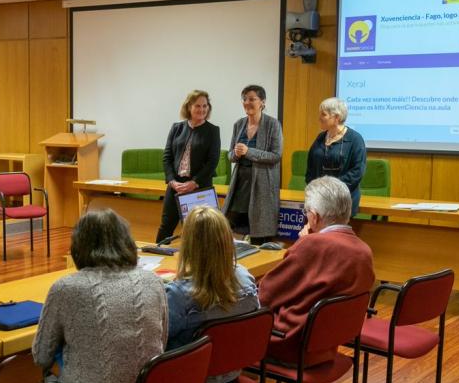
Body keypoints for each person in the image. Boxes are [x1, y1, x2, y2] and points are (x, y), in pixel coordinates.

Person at [32, 209, 181, 383]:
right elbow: (162, 340)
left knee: (54, 379)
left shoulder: (66, 288)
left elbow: (41, 356)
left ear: (79, 245)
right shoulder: (154, 282)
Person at [258, 176, 374, 366]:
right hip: (325, 346)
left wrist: (303, 243)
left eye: (306, 212)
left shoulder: (311, 246)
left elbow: (266, 294)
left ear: (314, 216)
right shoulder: (364, 251)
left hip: (289, 344)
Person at [166, 206, 260, 383]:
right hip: (232, 373)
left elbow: (157, 338)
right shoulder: (246, 279)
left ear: (189, 246)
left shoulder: (178, 296)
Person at [157, 89, 221, 244]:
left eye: (205, 106)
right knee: (165, 227)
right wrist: (172, 181)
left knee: (200, 232)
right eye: (197, 106)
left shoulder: (213, 131)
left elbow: (212, 162)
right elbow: (167, 157)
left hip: (199, 187)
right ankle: (156, 254)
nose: (202, 109)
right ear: (189, 107)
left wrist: (194, 182)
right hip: (176, 186)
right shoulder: (176, 128)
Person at [223, 85, 283, 244]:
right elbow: (230, 155)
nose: (247, 102)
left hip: (262, 187)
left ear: (262, 102)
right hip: (240, 186)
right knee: (231, 228)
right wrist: (236, 153)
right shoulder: (239, 124)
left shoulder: (272, 124)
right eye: (244, 99)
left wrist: (249, 152)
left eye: (252, 99)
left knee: (259, 235)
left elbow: (276, 155)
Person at [305, 97, 367, 216]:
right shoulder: (320, 138)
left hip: (343, 200)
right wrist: (314, 189)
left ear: (337, 117)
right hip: (319, 200)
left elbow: (357, 171)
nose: (319, 118)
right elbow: (311, 167)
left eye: (324, 114)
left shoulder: (355, 139)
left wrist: (331, 189)